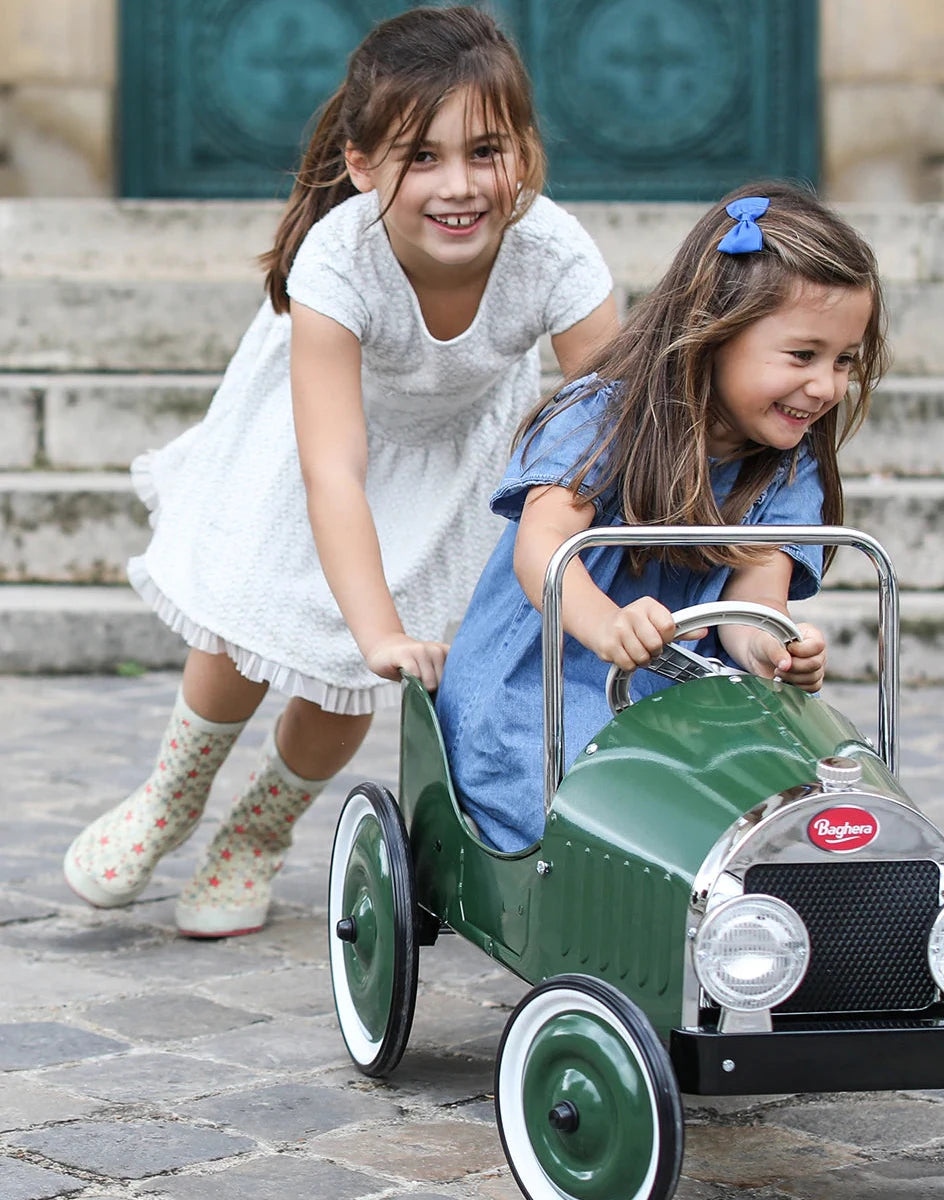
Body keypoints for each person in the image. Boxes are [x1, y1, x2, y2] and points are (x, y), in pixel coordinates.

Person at [62, 6, 617, 936]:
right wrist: (374, 624)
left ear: (524, 149)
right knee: (248, 622)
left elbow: (616, 417)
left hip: (457, 450)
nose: (460, 186)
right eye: (422, 156)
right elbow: (333, 469)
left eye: (487, 151)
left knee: (347, 679)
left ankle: (258, 832)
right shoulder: (339, 258)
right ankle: (171, 795)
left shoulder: (553, 253)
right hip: (318, 441)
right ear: (362, 167)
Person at [436, 180, 888, 852]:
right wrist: (607, 623)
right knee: (593, 819)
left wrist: (771, 646)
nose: (825, 386)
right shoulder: (603, 416)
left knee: (788, 800)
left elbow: (750, 605)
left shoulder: (788, 467)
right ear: (714, 334)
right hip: (541, 691)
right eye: (802, 356)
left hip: (679, 705)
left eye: (844, 361)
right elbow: (542, 549)